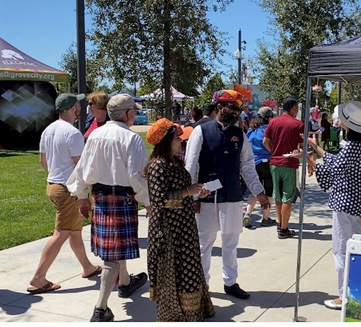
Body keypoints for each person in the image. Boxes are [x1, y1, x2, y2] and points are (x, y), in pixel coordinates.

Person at [67, 94, 150, 322]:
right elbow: (136, 177)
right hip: (121, 198)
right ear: (127, 114)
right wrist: (148, 201)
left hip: (101, 197)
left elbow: (83, 170)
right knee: (111, 257)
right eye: (133, 111)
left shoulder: (95, 134)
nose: (134, 114)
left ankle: (125, 283)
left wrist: (82, 196)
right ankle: (100, 309)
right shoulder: (131, 139)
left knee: (114, 247)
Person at [184, 89, 270, 300]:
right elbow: (191, 165)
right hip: (205, 197)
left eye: (237, 109)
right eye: (232, 108)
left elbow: (248, 166)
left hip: (231, 195)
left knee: (230, 242)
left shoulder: (239, 134)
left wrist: (258, 192)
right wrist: (193, 197)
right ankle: (202, 284)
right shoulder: (201, 131)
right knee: (204, 243)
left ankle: (230, 282)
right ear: (220, 107)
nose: (236, 113)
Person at [27, 93, 102, 295]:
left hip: (53, 185)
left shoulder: (48, 130)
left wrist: (56, 177)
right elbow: (81, 166)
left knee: (74, 231)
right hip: (68, 189)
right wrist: (87, 189)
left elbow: (43, 161)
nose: (80, 107)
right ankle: (38, 278)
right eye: (78, 105)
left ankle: (87, 267)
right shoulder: (73, 133)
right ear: (71, 109)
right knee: (61, 233)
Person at [144, 118, 215, 321]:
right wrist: (187, 191)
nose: (180, 142)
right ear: (166, 141)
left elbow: (181, 193)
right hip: (168, 230)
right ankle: (175, 314)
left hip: (184, 226)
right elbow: (159, 200)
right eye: (177, 138)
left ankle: (194, 310)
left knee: (189, 268)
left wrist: (195, 193)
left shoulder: (175, 162)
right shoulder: (158, 166)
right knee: (173, 272)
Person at [307, 101, 361, 310]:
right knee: (353, 247)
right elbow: (338, 163)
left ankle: (344, 296)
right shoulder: (358, 145)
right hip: (354, 204)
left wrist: (315, 160)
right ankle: (353, 290)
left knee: (342, 250)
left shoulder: (352, 145)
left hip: (345, 204)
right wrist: (317, 149)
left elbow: (335, 168)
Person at [263, 97, 304, 239]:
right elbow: (303, 145)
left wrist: (273, 152)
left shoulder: (273, 122)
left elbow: (265, 141)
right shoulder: (298, 124)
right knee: (288, 197)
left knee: (278, 197)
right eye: (297, 108)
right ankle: (284, 229)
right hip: (289, 164)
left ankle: (280, 225)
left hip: (274, 163)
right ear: (293, 108)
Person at [243, 106, 276, 229]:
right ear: (269, 118)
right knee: (268, 191)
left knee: (255, 190)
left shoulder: (251, 130)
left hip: (253, 163)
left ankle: (247, 214)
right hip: (267, 162)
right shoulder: (269, 130)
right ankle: (265, 218)